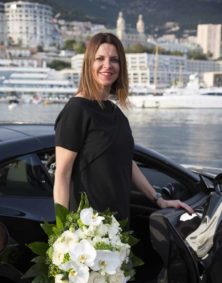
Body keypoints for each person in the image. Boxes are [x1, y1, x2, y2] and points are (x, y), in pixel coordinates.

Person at [54, 32, 193, 222]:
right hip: (87, 227)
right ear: (88, 64)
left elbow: (127, 162)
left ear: (121, 67)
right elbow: (62, 174)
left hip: (118, 222)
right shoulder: (77, 109)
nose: (107, 65)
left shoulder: (116, 113)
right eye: (100, 59)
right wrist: (63, 230)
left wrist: (158, 199)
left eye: (114, 60)